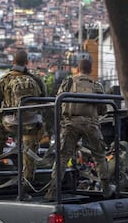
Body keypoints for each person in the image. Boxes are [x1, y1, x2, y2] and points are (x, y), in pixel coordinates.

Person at [45, 59, 112, 199]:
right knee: (99, 156)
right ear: (90, 70)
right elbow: (103, 109)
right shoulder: (96, 85)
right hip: (90, 124)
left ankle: (52, 190)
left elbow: (58, 102)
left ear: (77, 69)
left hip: (71, 124)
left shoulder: (68, 82)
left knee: (63, 157)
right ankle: (106, 189)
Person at [0, 50, 46, 198]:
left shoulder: (4, 79)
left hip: (12, 123)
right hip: (32, 124)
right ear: (27, 63)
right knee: (29, 155)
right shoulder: (35, 79)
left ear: (12, 62)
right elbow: (44, 99)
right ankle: (26, 185)